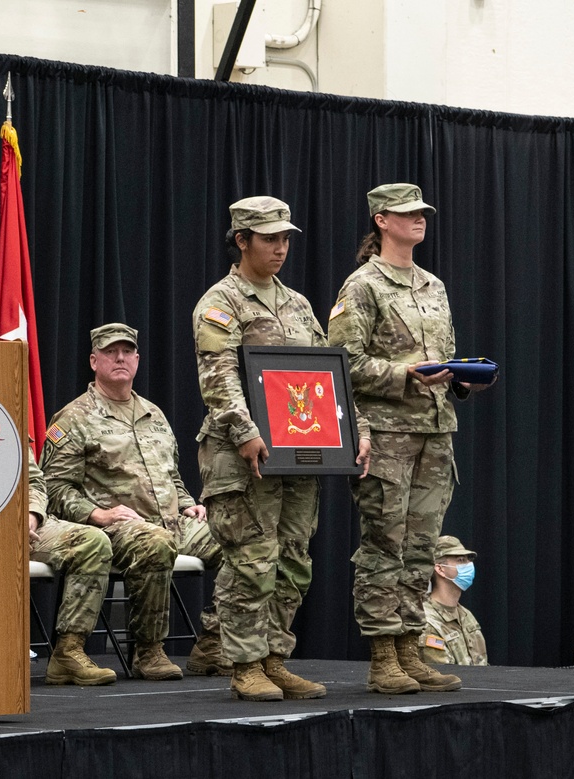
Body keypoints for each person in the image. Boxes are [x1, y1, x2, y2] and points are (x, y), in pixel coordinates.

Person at [192, 196, 371, 702]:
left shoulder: (296, 303)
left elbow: (326, 379)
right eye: (269, 238)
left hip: (299, 453)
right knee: (252, 559)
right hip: (241, 453)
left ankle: (274, 659)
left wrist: (354, 431)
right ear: (241, 240)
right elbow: (219, 377)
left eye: (286, 238)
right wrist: (247, 430)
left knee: (293, 560)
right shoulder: (220, 302)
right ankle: (244, 664)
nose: (281, 247)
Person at [327, 183, 489, 694]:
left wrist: (461, 377)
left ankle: (409, 650)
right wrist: (406, 374)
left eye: (422, 213)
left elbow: (446, 350)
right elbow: (344, 364)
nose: (419, 219)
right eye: (408, 213)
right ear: (381, 220)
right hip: (388, 434)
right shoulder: (362, 286)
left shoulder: (433, 285)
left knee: (421, 549)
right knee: (384, 546)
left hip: (435, 433)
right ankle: (382, 657)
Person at [40, 323, 230, 681]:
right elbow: (54, 488)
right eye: (111, 352)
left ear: (138, 360)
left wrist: (189, 503)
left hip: (172, 521)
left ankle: (213, 644)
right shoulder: (74, 417)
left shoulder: (153, 414)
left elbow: (170, 475)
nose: (120, 358)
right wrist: (97, 513)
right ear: (94, 361)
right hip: (115, 527)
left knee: (236, 537)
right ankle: (149, 651)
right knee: (154, 544)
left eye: (127, 351)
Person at [0, 313, 116, 686]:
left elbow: (33, 478)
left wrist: (32, 515)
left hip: (20, 521)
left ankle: (67, 652)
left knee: (92, 541)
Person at [421, 535, 488, 666]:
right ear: (440, 569)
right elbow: (443, 674)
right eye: (461, 560)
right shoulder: (426, 621)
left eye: (468, 560)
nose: (469, 565)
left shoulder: (466, 615)